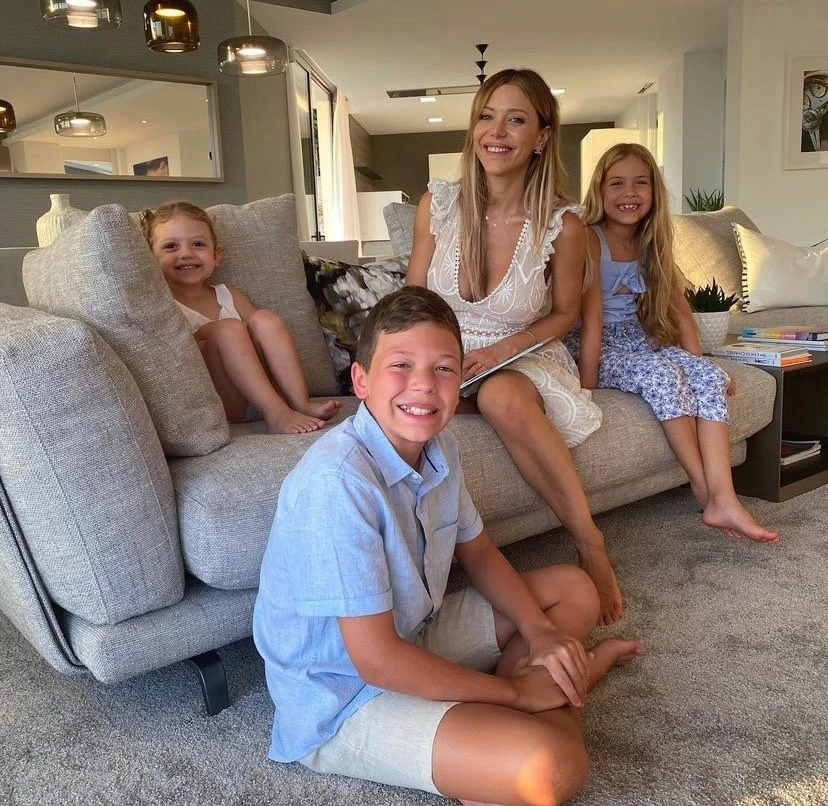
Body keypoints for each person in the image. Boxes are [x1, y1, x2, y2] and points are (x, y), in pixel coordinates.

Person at [253, 286, 640, 806]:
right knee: (551, 769)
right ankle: (555, 694)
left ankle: (524, 704)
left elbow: (478, 553)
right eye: (401, 366)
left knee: (573, 589)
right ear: (361, 380)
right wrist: (515, 694)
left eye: (443, 369)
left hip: (413, 634)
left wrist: (542, 633)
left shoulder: (441, 447)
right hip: (343, 696)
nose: (423, 385)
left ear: (461, 381)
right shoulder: (337, 483)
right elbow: (377, 662)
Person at [406, 68, 623, 625]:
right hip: (446, 354)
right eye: (486, 116)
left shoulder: (562, 225)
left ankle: (590, 542)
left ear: (541, 136)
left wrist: (502, 352)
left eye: (516, 119)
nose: (496, 132)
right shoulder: (439, 205)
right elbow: (413, 297)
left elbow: (565, 314)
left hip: (522, 353)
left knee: (501, 396)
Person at [572, 142, 778, 543]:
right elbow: (591, 320)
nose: (629, 193)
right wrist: (587, 386)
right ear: (599, 189)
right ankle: (704, 491)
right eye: (617, 183)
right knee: (663, 374)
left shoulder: (652, 239)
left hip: (639, 340)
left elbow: (680, 309)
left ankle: (725, 495)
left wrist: (698, 364)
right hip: (599, 345)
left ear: (654, 191)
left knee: (711, 378)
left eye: (640, 183)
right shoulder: (588, 238)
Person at [141, 201, 338, 434]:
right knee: (228, 330)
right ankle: (276, 413)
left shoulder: (230, 295)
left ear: (216, 256)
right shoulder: (163, 308)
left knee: (264, 319)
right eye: (171, 246)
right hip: (226, 403)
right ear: (151, 259)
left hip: (270, 390)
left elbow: (264, 340)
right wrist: (212, 334)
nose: (186, 254)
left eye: (198, 244)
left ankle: (299, 402)